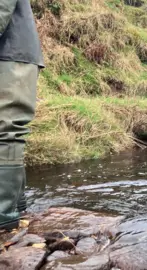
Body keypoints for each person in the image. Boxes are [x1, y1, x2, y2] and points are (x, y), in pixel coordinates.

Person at [0, 0, 44, 230]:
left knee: (7, 130)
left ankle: (4, 214)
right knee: (7, 131)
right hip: (12, 52)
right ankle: (15, 206)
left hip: (12, 54)